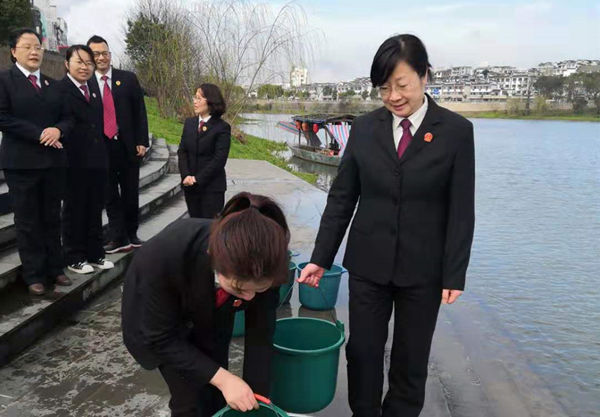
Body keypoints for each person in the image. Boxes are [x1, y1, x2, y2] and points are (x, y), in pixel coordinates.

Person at [298, 34, 475, 417]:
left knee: (410, 362)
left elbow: (462, 210)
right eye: (383, 88)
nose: (393, 96)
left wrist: (454, 273)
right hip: (368, 265)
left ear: (425, 76)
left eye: (401, 85)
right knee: (362, 354)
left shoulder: (457, 132)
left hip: (423, 271)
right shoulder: (364, 129)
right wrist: (321, 258)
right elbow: (342, 197)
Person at [122, 192, 289, 416]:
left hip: (211, 311)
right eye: (241, 289)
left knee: (218, 390)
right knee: (189, 399)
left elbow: (261, 334)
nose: (250, 298)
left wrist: (258, 400)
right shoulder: (163, 255)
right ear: (215, 259)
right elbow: (160, 338)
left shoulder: (270, 261)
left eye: (258, 290)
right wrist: (224, 379)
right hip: (161, 324)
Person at [0, 28, 73, 295]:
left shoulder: (53, 85)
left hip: (52, 163)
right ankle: (34, 274)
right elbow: (3, 117)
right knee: (28, 220)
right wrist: (40, 133)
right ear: (13, 52)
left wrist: (59, 130)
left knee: (52, 218)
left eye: (38, 47)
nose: (34, 52)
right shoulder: (4, 81)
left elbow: (68, 117)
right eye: (28, 46)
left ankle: (56, 268)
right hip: (21, 163)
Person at [86, 35, 149, 253]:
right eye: (96, 54)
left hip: (128, 147)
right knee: (109, 195)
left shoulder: (128, 79)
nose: (101, 58)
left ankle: (132, 233)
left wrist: (142, 140)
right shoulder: (87, 82)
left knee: (131, 193)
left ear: (110, 55)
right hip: (101, 149)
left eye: (104, 53)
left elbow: (140, 111)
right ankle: (116, 236)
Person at [59, 44, 114, 274]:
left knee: (94, 208)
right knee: (75, 209)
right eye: (79, 62)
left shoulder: (92, 88)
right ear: (67, 64)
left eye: (88, 63)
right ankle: (74, 256)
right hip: (73, 162)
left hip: (97, 160)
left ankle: (95, 253)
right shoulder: (60, 90)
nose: (85, 67)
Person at [178, 84, 231, 218]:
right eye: (194, 98)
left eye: (199, 98)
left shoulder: (222, 128)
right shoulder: (189, 123)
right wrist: (186, 175)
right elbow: (182, 151)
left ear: (210, 101)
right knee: (194, 226)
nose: (195, 102)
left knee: (209, 230)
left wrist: (197, 178)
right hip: (191, 187)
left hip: (212, 188)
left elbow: (219, 159)